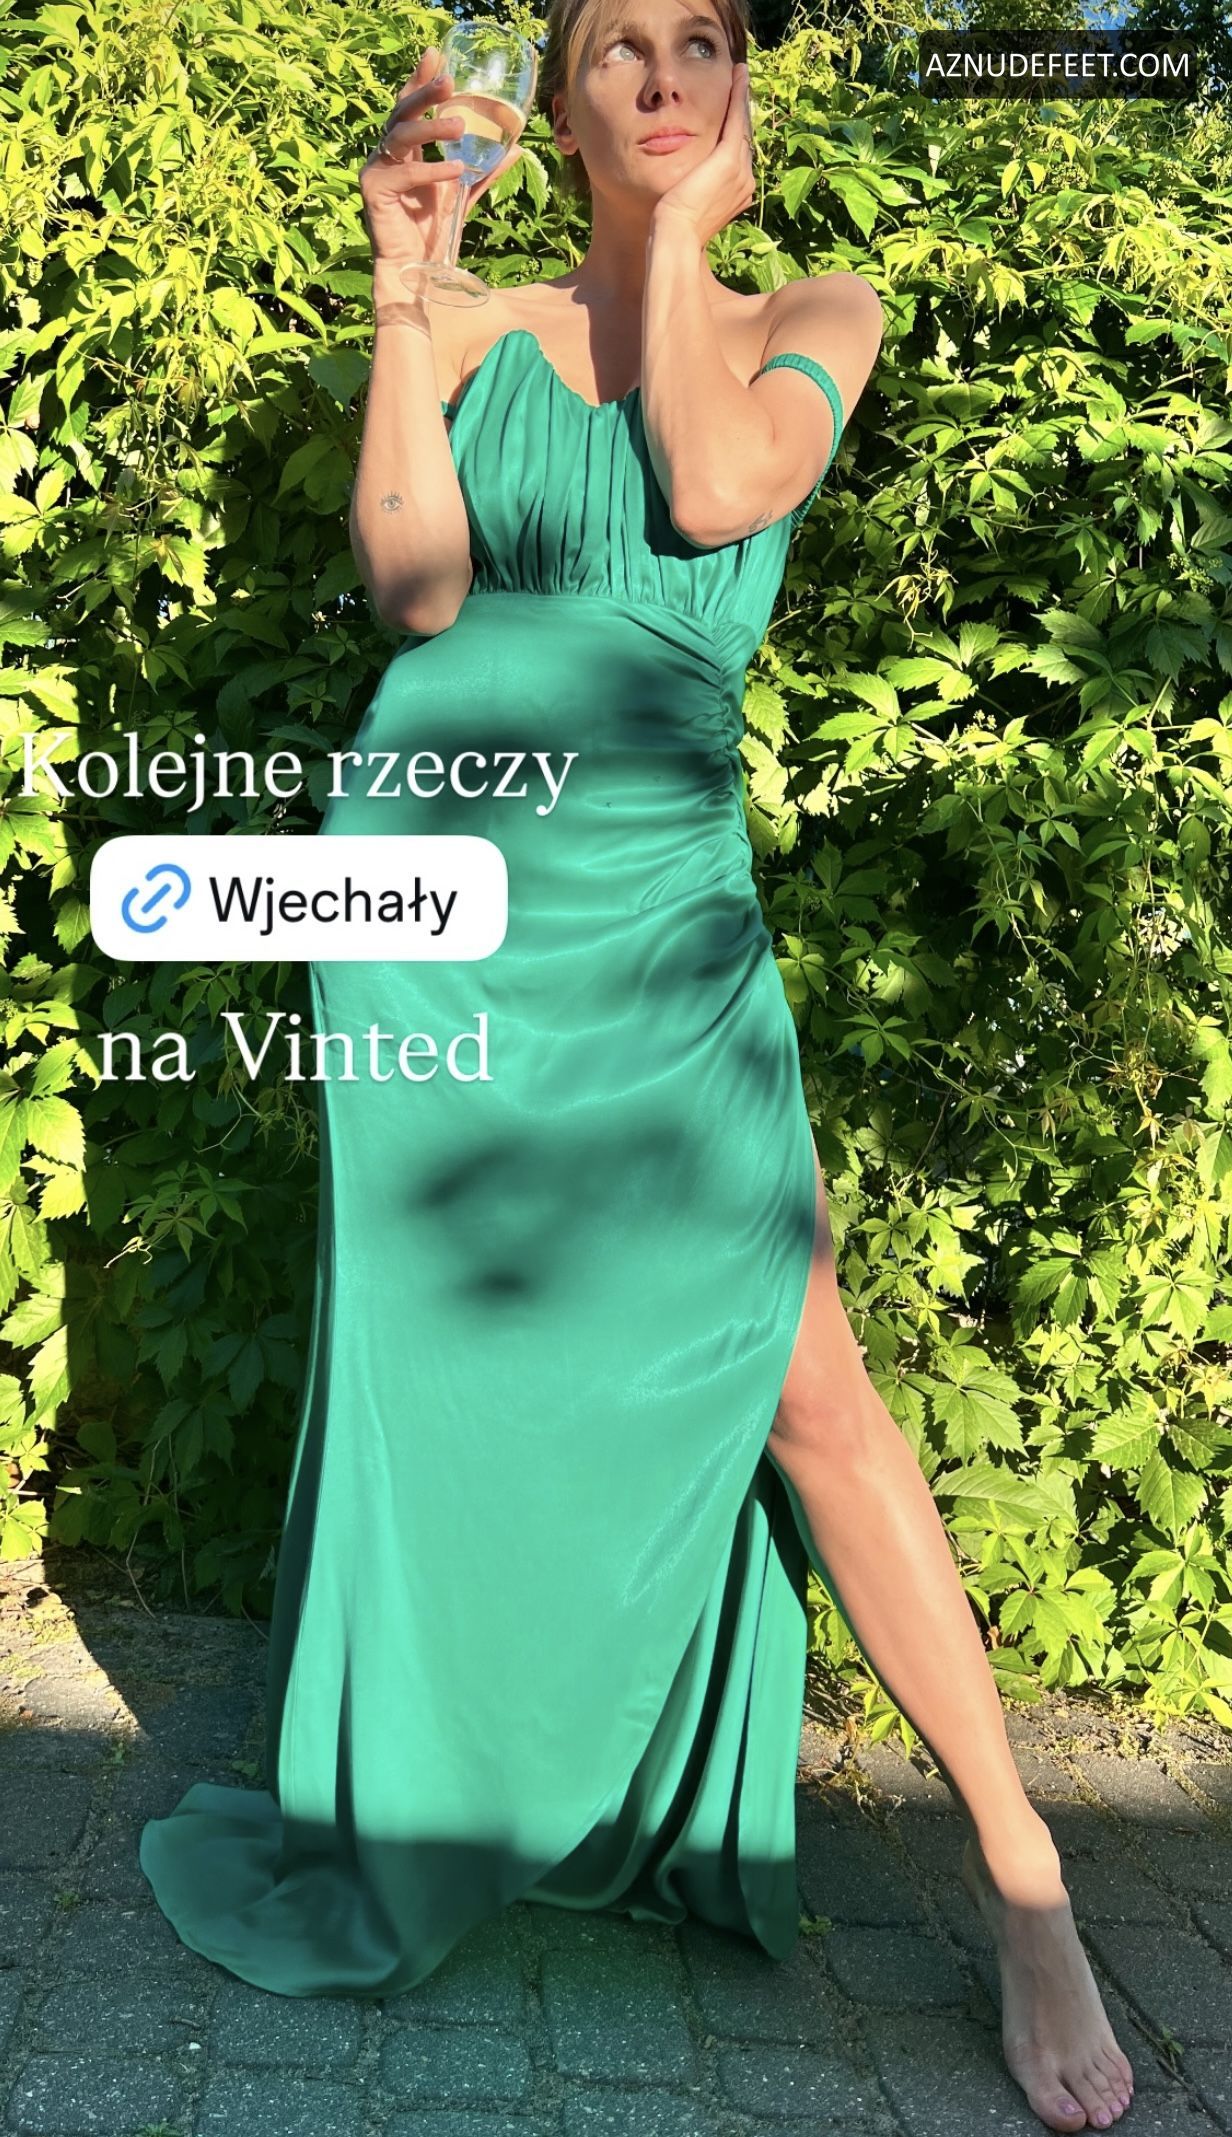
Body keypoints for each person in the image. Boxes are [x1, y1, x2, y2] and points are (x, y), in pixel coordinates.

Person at [138, 2, 1135, 2129]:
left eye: (700, 43)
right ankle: (442, 1783)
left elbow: (711, 481)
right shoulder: (478, 326)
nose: (661, 71)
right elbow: (415, 590)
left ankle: (1027, 1877)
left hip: (656, 914)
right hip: (432, 900)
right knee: (437, 1374)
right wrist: (406, 295)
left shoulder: (816, 311)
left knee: (805, 1384)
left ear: (741, 95)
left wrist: (671, 240)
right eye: (617, 47)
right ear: (560, 98)